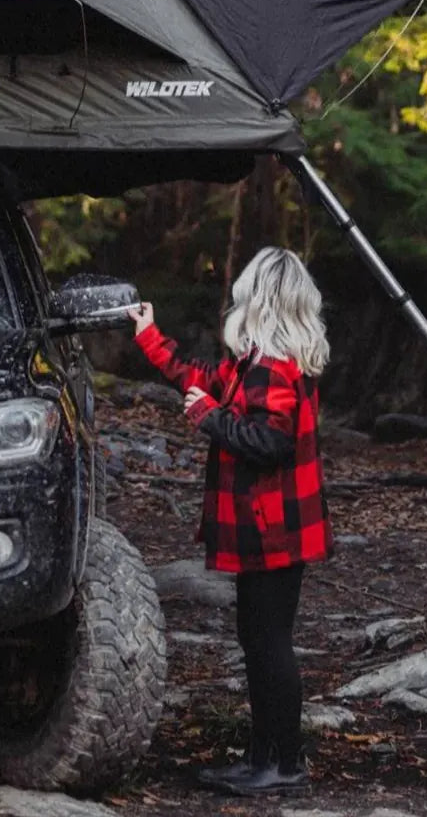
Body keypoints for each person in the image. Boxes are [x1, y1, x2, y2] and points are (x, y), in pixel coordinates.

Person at [128, 246, 332, 798]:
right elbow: (200, 375)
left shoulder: (273, 368)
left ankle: (282, 764)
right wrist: (151, 337)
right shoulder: (256, 362)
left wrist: (206, 416)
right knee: (260, 638)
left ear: (259, 300)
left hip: (273, 529)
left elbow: (269, 443)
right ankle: (263, 756)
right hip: (272, 527)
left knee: (268, 642)